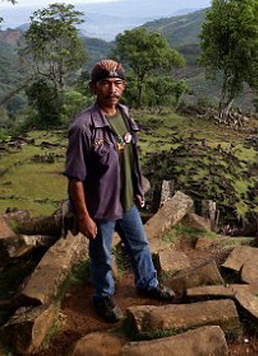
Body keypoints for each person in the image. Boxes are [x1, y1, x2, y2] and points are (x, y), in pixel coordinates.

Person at [64, 59, 175, 322]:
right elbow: (75, 178)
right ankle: (102, 296)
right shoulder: (83, 128)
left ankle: (148, 283)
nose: (111, 89)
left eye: (117, 83)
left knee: (139, 245)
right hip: (99, 206)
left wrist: (137, 188)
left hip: (125, 200)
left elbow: (130, 157)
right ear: (93, 87)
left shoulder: (124, 114)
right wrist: (83, 216)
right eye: (105, 83)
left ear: (123, 86)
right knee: (102, 254)